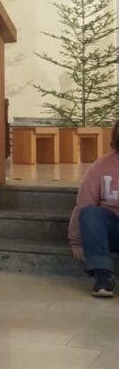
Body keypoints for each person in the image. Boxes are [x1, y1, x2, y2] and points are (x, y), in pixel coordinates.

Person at [68, 122, 119, 296]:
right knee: (90, 213)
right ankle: (103, 277)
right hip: (112, 230)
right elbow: (83, 203)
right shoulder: (101, 166)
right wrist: (77, 241)